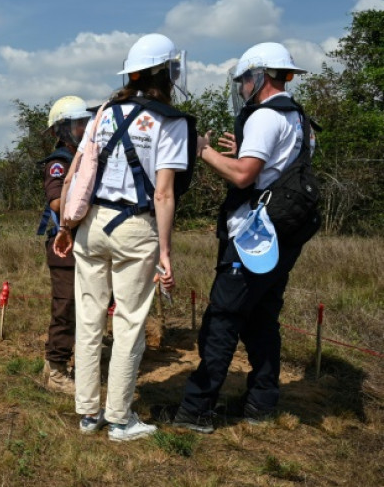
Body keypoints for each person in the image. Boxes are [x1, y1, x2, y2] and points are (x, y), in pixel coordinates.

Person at [155, 42, 314, 433]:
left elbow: (244, 176)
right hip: (283, 236)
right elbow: (274, 170)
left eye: (244, 79)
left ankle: (196, 411)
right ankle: (260, 405)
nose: (242, 86)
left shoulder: (264, 117)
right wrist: (243, 152)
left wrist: (204, 151)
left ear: (258, 76)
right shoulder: (299, 119)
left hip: (252, 238)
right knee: (261, 320)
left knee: (222, 320)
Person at [53, 33, 192, 442]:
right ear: (166, 73)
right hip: (136, 227)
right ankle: (118, 418)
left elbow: (82, 174)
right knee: (130, 322)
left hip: (93, 225)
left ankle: (86, 413)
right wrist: (166, 251)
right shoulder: (171, 122)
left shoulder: (103, 113)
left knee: (90, 317)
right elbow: (164, 192)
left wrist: (67, 226)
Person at [37, 96, 91, 394]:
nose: (83, 128)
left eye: (85, 122)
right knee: (66, 306)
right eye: (77, 124)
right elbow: (57, 202)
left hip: (82, 241)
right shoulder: (60, 163)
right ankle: (57, 371)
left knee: (83, 306)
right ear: (63, 130)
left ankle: (59, 363)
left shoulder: (86, 157)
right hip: (63, 245)